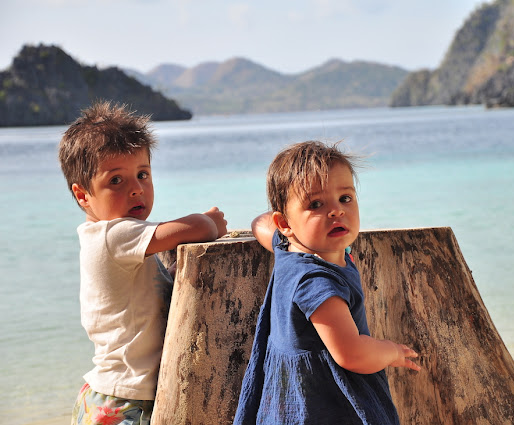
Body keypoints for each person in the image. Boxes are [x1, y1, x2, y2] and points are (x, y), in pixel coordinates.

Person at [58, 101, 228, 425]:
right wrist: (210, 220)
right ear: (82, 195)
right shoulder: (113, 235)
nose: (136, 189)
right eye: (116, 181)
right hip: (125, 401)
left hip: (114, 395)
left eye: (142, 174)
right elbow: (198, 229)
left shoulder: (111, 238)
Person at [234, 141, 420, 425]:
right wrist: (391, 351)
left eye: (345, 198)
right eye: (316, 204)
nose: (336, 211)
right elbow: (351, 354)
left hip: (290, 400)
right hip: (325, 406)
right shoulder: (317, 283)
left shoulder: (287, 248)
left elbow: (261, 223)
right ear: (285, 223)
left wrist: (289, 227)